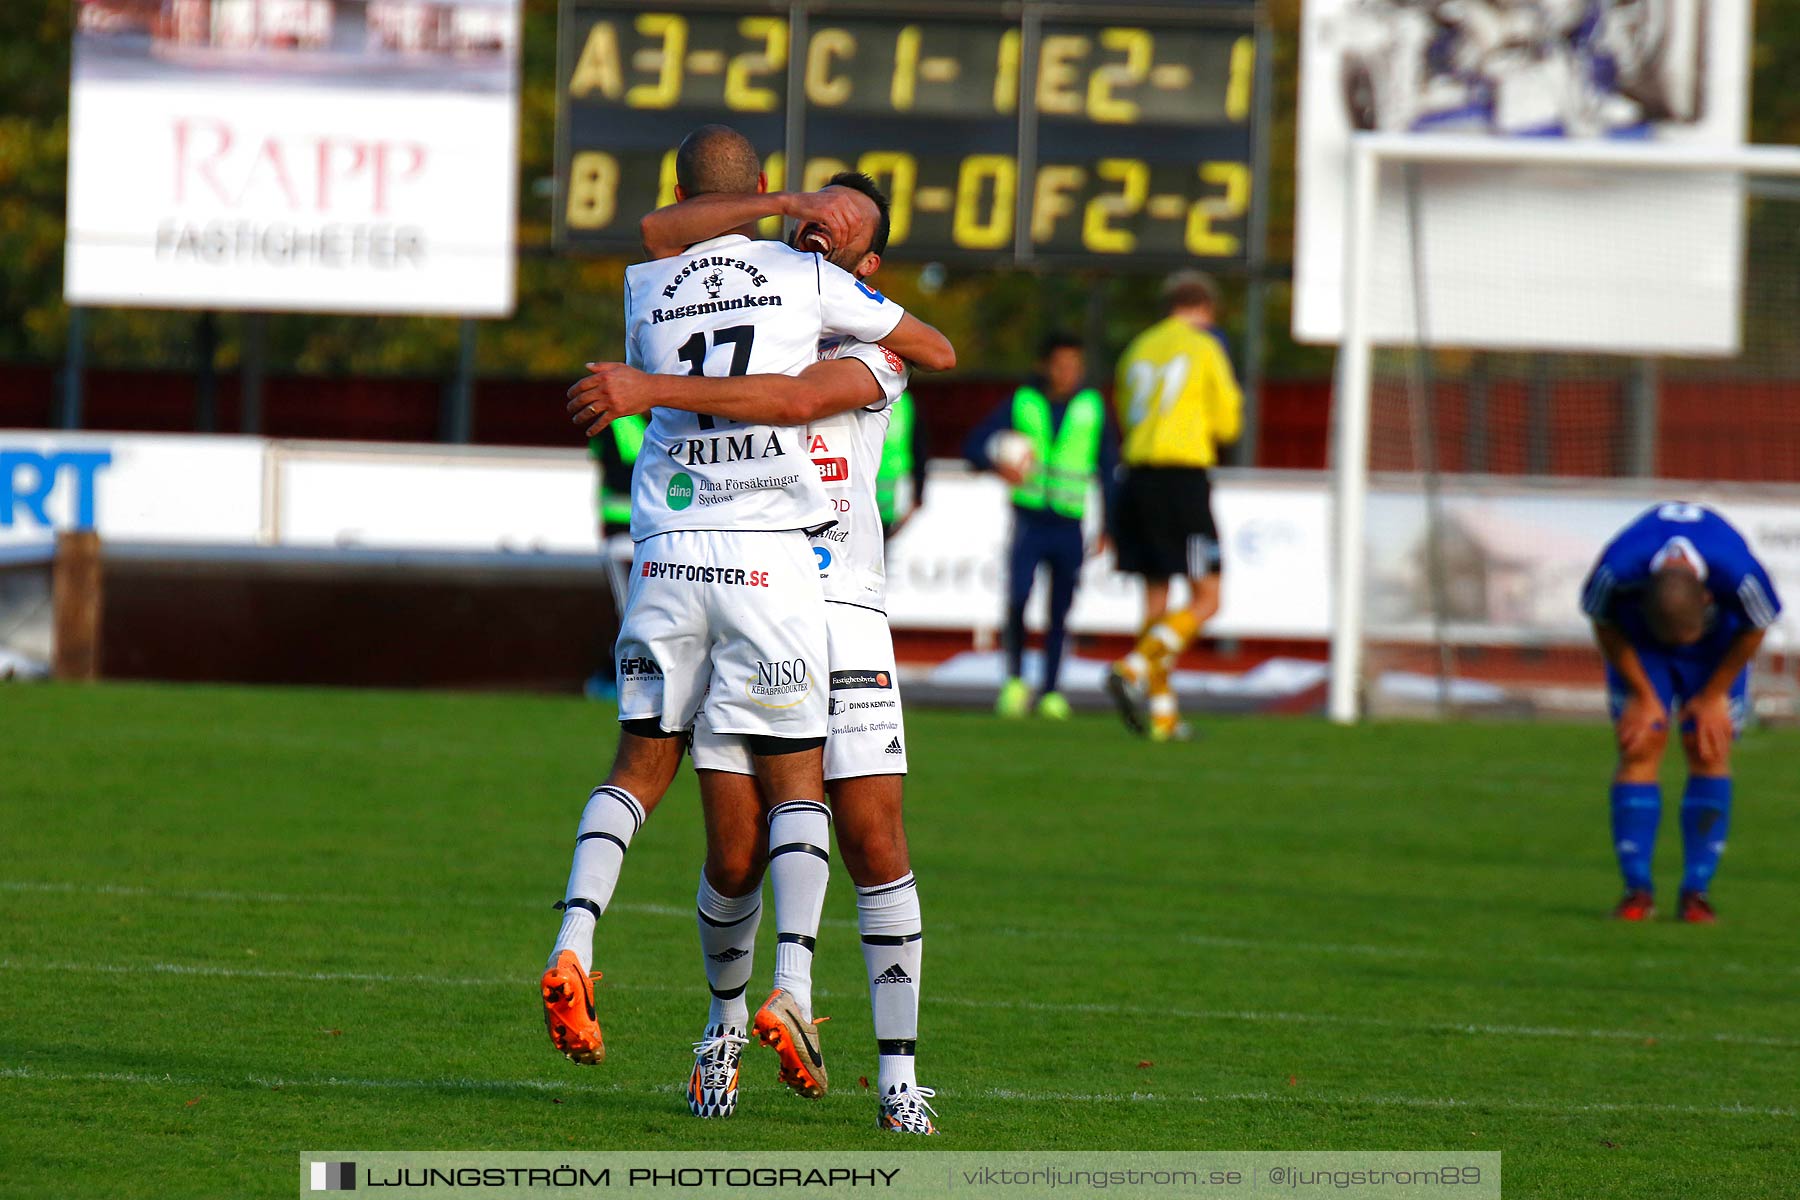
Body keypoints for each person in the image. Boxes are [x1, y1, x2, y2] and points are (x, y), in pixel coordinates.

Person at [539, 125, 951, 1079]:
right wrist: (796, 213)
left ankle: (855, 1045)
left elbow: (823, 388)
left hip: (830, 600)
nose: (825, 232)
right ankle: (732, 1023)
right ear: (771, 198)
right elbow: (675, 233)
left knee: (867, 831)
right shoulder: (784, 276)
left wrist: (648, 384)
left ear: (870, 261)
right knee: (734, 849)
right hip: (761, 575)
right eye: (820, 215)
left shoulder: (851, 325)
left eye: (847, 228)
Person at [1580, 502, 1781, 923]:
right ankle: (1636, 890)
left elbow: (1758, 625)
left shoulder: (1739, 573)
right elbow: (1601, 621)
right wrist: (1642, 693)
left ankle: (1696, 891)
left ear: (1709, 595)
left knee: (1707, 743)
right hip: (1641, 642)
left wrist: (1713, 696)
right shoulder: (1616, 570)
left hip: (1716, 647)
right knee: (1641, 741)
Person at [1105, 271, 1243, 742]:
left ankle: (1163, 716)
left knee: (1156, 599)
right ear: (1206, 308)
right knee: (1209, 597)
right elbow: (1228, 424)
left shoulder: (1137, 349)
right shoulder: (1204, 347)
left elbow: (1124, 414)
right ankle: (1134, 667)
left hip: (1137, 477)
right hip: (1182, 477)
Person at [962, 333, 1116, 720]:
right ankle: (1015, 681)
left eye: (1074, 366)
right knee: (1017, 599)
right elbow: (974, 445)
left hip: (1069, 521)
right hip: (1029, 519)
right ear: (1045, 366)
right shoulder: (1023, 401)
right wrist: (1000, 465)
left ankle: (1050, 690)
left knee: (1060, 610)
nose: (1068, 373)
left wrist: (1110, 525)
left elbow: (1110, 470)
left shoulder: (1092, 407)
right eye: (1061, 364)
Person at [584, 414, 646, 701]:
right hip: (626, 529)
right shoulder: (620, 422)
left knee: (636, 612)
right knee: (631, 612)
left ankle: (619, 677)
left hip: (645, 530)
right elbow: (620, 471)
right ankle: (616, 678)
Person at [875, 389, 929, 538]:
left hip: (867, 484)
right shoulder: (905, 401)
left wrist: (918, 492)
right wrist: (918, 493)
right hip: (894, 488)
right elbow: (919, 448)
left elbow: (918, 447)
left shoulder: (859, 395)